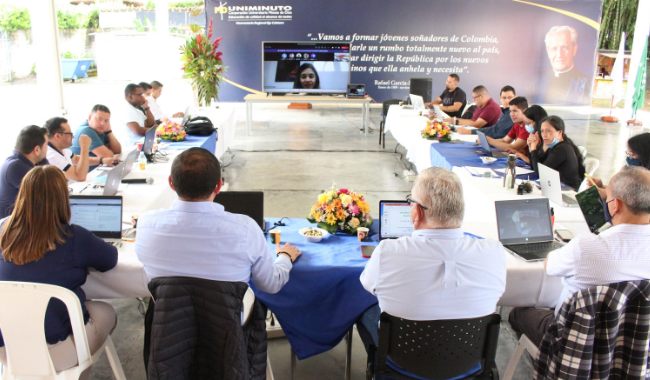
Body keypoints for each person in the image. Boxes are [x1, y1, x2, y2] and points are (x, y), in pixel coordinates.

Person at [357, 167, 507, 376]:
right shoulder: (494, 252)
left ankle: (383, 371)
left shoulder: (388, 251)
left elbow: (367, 285)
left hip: (404, 358)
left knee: (363, 311)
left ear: (417, 212)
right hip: (468, 359)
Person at [509, 166, 650, 347]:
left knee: (518, 313)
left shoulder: (585, 246)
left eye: (607, 198)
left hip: (574, 342)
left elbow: (549, 266)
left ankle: (544, 362)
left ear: (616, 206)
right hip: (634, 345)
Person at [0, 166, 118, 380]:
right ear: (63, 198)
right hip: (57, 351)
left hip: (8, 349)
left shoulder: (3, 230)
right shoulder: (73, 238)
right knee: (107, 311)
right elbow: (110, 260)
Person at [135, 147, 301, 293]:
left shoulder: (145, 224)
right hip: (228, 324)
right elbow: (270, 285)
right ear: (218, 185)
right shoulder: (245, 229)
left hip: (168, 324)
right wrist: (285, 257)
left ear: (171, 183)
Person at [45, 117, 117, 182]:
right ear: (57, 136)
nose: (73, 136)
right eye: (69, 133)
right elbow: (80, 177)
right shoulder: (52, 156)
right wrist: (84, 147)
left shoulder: (62, 149)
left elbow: (76, 159)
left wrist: (103, 160)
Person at [0, 126, 49, 218]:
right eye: (47, 145)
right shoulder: (17, 167)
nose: (48, 149)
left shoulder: (19, 162)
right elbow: (50, 192)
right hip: (13, 228)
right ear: (37, 149)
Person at [536, 26, 591, 105]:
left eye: (564, 47)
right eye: (554, 48)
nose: (559, 55)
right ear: (548, 51)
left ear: (574, 49)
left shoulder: (588, 84)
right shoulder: (538, 81)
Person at [528, 115, 585, 191]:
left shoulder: (562, 149)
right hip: (557, 186)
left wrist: (533, 149)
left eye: (549, 131)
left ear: (560, 132)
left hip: (567, 191)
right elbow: (535, 166)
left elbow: (540, 173)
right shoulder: (555, 146)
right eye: (542, 131)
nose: (544, 135)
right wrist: (531, 146)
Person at [588, 132, 650, 198]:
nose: (629, 158)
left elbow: (634, 201)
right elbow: (622, 191)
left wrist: (608, 195)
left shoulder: (643, 180)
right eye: (628, 154)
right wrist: (601, 187)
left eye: (633, 154)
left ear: (646, 155)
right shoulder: (633, 173)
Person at [70, 105, 122, 172]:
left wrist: (109, 131)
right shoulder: (86, 130)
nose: (102, 123)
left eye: (106, 121)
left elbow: (117, 151)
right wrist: (108, 152)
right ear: (90, 117)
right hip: (83, 177)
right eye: (99, 119)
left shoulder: (100, 130)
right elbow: (107, 156)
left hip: (95, 172)